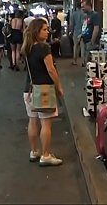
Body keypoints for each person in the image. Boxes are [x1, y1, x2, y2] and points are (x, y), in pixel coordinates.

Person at [22, 18, 64, 166]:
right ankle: (46, 155)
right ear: (36, 31)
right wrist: (59, 86)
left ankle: (34, 151)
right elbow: (51, 70)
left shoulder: (26, 47)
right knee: (46, 123)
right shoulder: (44, 48)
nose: (48, 32)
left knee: (32, 120)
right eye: (44, 29)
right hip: (44, 89)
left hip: (29, 89)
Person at [81, 1, 101, 65]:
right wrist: (81, 35)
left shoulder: (95, 15)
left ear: (88, 6)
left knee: (89, 60)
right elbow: (85, 27)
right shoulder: (86, 15)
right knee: (85, 59)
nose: (82, 8)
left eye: (83, 7)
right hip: (84, 39)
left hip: (90, 40)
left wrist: (92, 40)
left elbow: (96, 28)